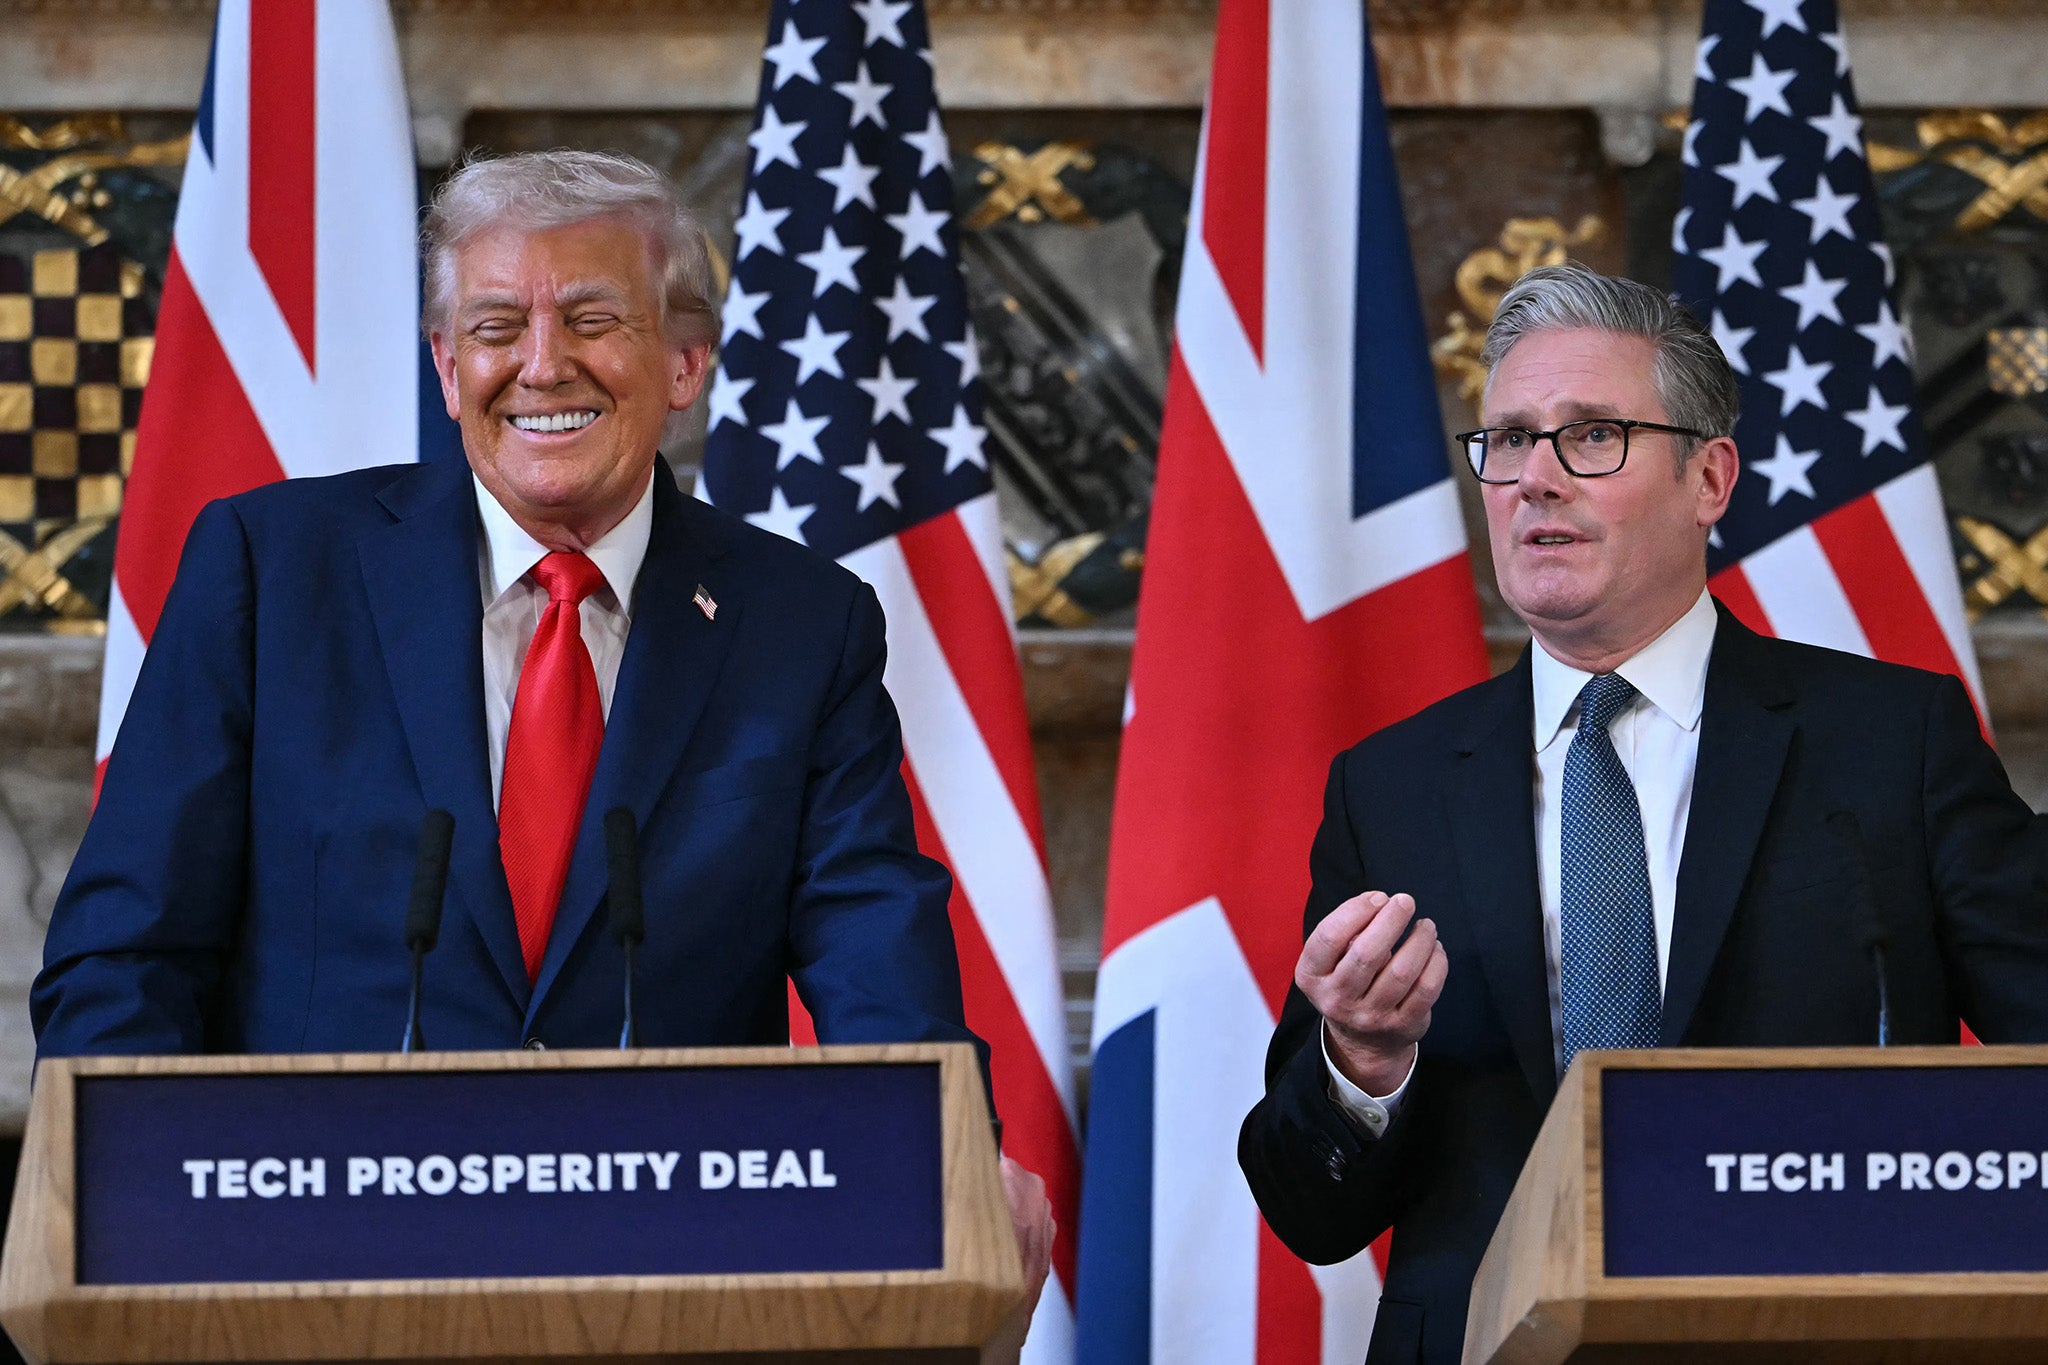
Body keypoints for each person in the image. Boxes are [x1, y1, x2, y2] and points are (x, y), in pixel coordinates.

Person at [33, 150, 1051, 1317]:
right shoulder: (273, 571)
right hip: (306, 1281)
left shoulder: (800, 623)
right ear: (444, 363)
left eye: (591, 318)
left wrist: (947, 1156)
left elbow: (873, 951)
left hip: (676, 1285)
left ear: (684, 361)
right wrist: (138, 1211)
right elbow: (127, 953)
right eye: (495, 325)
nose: (540, 365)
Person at [1238, 263, 2048, 1365]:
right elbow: (1307, 1214)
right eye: (1510, 440)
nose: (1535, 479)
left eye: (1591, 437)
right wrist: (1357, 1063)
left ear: (1708, 478)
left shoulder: (1887, 744)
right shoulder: (1392, 784)